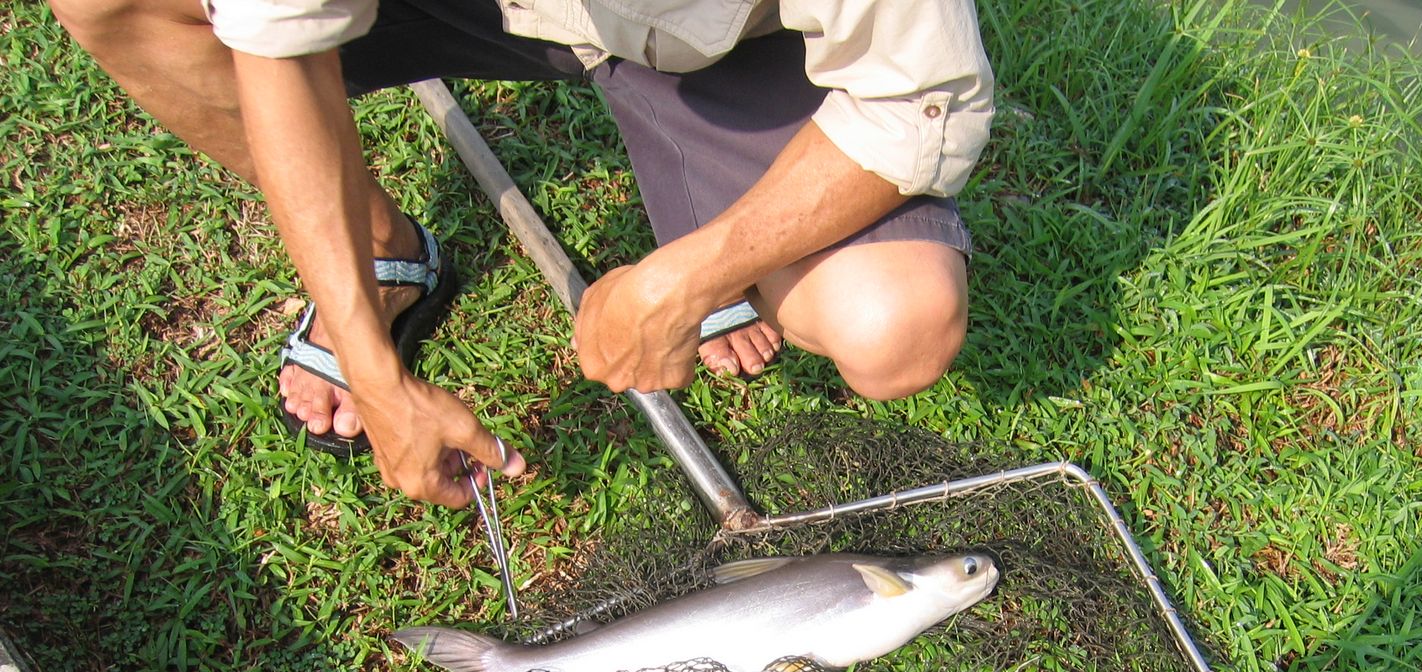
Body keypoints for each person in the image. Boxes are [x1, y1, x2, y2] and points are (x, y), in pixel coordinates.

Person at [49, 0, 994, 508]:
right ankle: (385, 261)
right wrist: (376, 380)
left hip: (726, 43)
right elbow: (275, 43)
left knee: (893, 324)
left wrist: (684, 279)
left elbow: (917, 97)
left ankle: (726, 227)